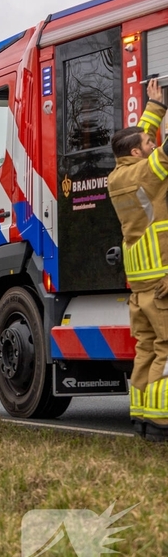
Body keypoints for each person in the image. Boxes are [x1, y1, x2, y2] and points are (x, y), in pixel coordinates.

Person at [109, 77, 168, 440]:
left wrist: (154, 109)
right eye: (149, 143)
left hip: (141, 284)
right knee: (166, 349)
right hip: (162, 278)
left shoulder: (117, 177)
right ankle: (163, 422)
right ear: (137, 153)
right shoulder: (149, 172)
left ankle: (142, 418)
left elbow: (137, 142)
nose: (153, 143)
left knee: (145, 349)